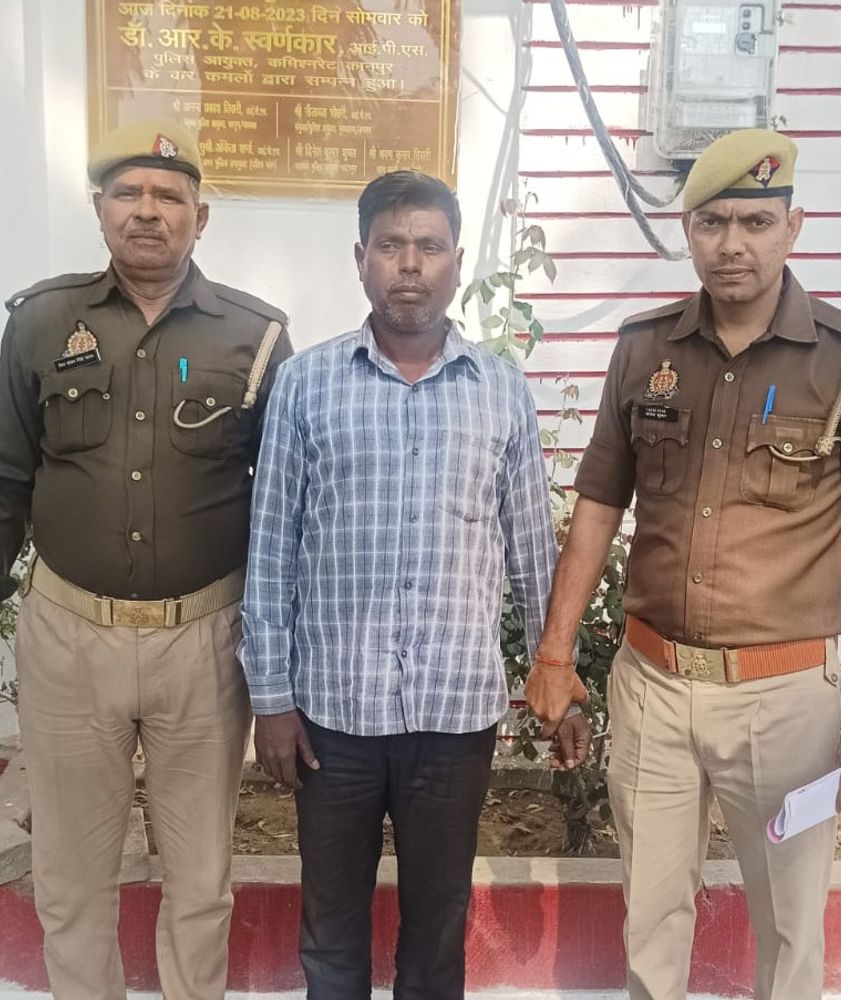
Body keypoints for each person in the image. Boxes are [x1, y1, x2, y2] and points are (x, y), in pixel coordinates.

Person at [524, 129, 841, 1000]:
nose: (732, 243)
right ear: (688, 231)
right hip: (653, 687)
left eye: (755, 221)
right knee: (650, 919)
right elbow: (598, 507)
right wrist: (555, 653)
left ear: (792, 228)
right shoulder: (645, 349)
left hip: (783, 700)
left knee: (789, 927)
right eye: (712, 222)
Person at [239, 169, 575, 1000]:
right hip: (332, 718)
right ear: (361, 259)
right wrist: (271, 700)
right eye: (391, 245)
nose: (411, 264)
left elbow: (532, 550)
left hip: (454, 717)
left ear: (457, 261)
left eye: (429, 246)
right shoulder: (306, 383)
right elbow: (272, 546)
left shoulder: (499, 389)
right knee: (330, 932)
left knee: (436, 929)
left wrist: (558, 678)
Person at [0, 119, 293, 1000]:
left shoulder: (256, 336)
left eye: (169, 195)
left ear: (201, 217)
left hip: (203, 643)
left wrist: (280, 653)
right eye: (127, 192)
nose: (147, 210)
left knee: (199, 884)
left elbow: (283, 508)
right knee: (69, 879)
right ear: (99, 209)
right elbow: (7, 478)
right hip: (68, 637)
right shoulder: (40, 321)